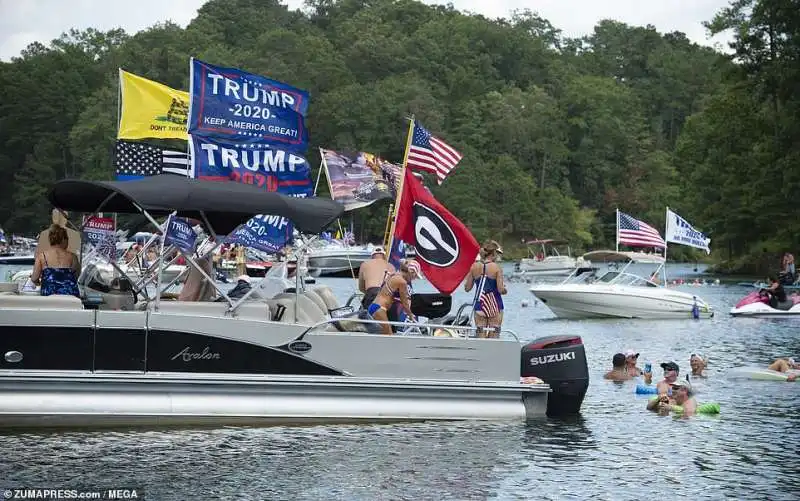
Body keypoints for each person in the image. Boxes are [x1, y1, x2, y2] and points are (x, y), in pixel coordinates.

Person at [464, 240, 507, 338]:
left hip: (479, 305)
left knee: (480, 336)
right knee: (494, 337)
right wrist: (505, 290)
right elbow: (500, 290)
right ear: (494, 253)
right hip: (495, 305)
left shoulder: (474, 267)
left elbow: (467, 288)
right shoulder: (496, 268)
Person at [366, 259, 419, 335]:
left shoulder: (394, 275)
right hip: (380, 309)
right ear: (411, 272)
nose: (414, 279)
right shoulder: (402, 282)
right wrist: (411, 315)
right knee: (389, 337)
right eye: (415, 276)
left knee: (381, 337)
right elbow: (405, 302)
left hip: (375, 306)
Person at [30, 224, 80, 297]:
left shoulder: (42, 257)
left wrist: (40, 283)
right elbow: (75, 277)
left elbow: (34, 278)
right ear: (64, 239)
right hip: (70, 297)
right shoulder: (73, 257)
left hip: (49, 296)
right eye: (67, 239)